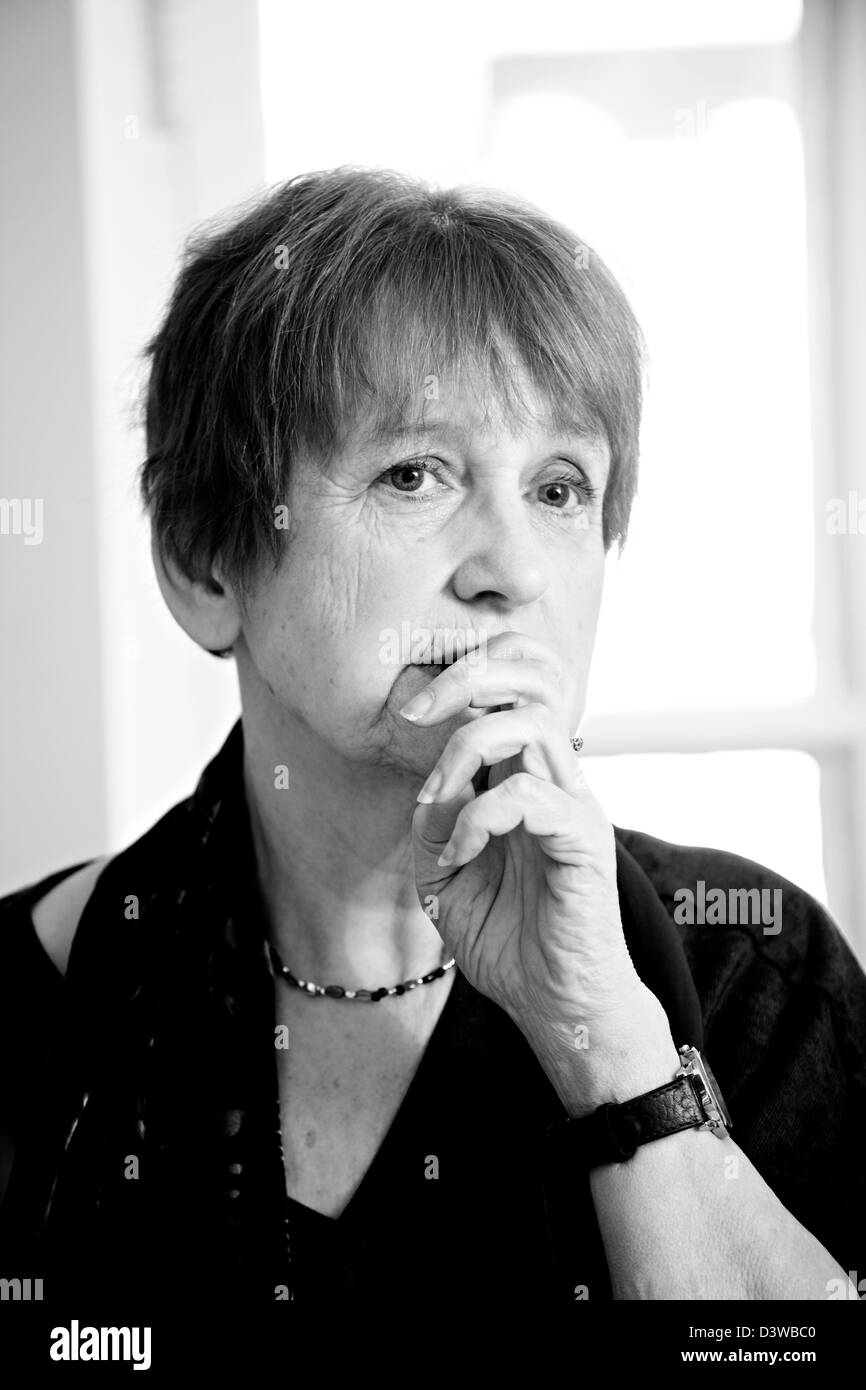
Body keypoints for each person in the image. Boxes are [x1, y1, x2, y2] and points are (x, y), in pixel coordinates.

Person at [1, 166, 864, 1308]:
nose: (509, 571)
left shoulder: (759, 975)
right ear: (205, 563)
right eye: (413, 473)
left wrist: (612, 1058)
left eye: (559, 489)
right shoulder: (37, 1003)